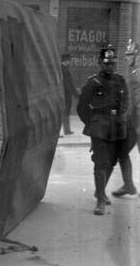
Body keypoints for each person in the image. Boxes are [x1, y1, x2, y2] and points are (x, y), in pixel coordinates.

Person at [77, 45, 133, 215]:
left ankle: (99, 191)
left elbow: (126, 101)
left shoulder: (120, 80)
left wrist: (122, 116)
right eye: (106, 63)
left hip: (117, 127)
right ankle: (100, 200)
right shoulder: (93, 82)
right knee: (101, 162)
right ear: (99, 63)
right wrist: (92, 122)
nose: (110, 66)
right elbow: (81, 107)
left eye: (112, 63)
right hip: (100, 127)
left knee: (112, 162)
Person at [112, 40, 140, 198]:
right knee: (122, 152)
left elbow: (136, 100)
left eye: (130, 54)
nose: (127, 57)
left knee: (122, 152)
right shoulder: (133, 71)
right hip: (133, 122)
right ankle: (128, 185)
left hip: (137, 123)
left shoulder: (138, 72)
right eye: (126, 55)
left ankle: (128, 185)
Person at [60, 53, 78, 135]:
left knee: (65, 112)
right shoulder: (64, 70)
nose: (70, 62)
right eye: (69, 60)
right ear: (66, 60)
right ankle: (64, 131)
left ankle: (67, 130)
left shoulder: (62, 68)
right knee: (64, 112)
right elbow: (68, 84)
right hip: (65, 94)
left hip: (64, 94)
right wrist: (75, 93)